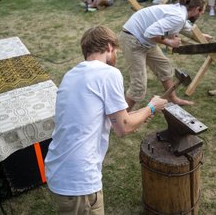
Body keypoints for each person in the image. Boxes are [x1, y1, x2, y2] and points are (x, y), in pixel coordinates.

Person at [45, 26, 168, 215]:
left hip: (58, 168)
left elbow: (113, 120)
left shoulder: (71, 74)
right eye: (116, 51)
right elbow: (123, 127)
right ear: (110, 47)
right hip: (79, 179)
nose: (116, 56)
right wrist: (151, 107)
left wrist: (141, 114)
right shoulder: (108, 73)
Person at [119, 0, 211, 110]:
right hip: (133, 40)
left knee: (164, 66)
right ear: (197, 9)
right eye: (202, 12)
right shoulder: (179, 16)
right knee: (139, 85)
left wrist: (201, 36)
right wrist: (170, 43)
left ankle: (173, 98)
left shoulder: (179, 11)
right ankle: (123, 119)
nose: (201, 15)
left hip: (144, 40)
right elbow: (150, 33)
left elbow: (186, 27)